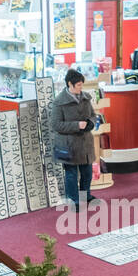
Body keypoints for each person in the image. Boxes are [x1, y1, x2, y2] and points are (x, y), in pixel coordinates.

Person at [50, 68, 99, 209]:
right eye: (78, 85)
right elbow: (56, 125)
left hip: (85, 143)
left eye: (82, 85)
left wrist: (90, 122)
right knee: (71, 174)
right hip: (66, 144)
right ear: (70, 84)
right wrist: (76, 125)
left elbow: (92, 114)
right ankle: (74, 201)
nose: (81, 88)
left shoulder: (85, 97)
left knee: (87, 173)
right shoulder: (58, 102)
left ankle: (86, 196)